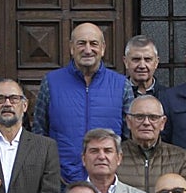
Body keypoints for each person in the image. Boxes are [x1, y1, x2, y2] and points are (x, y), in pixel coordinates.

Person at [32, 23, 133, 183]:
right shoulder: (51, 82)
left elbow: (129, 137)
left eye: (93, 43)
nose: (87, 49)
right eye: (81, 43)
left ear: (103, 48)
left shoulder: (121, 85)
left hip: (108, 182)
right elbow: (39, 131)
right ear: (72, 48)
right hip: (61, 182)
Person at [119, 94, 186, 193]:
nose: (146, 122)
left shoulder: (181, 158)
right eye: (139, 117)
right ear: (129, 122)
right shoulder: (114, 156)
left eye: (153, 117)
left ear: (162, 123)